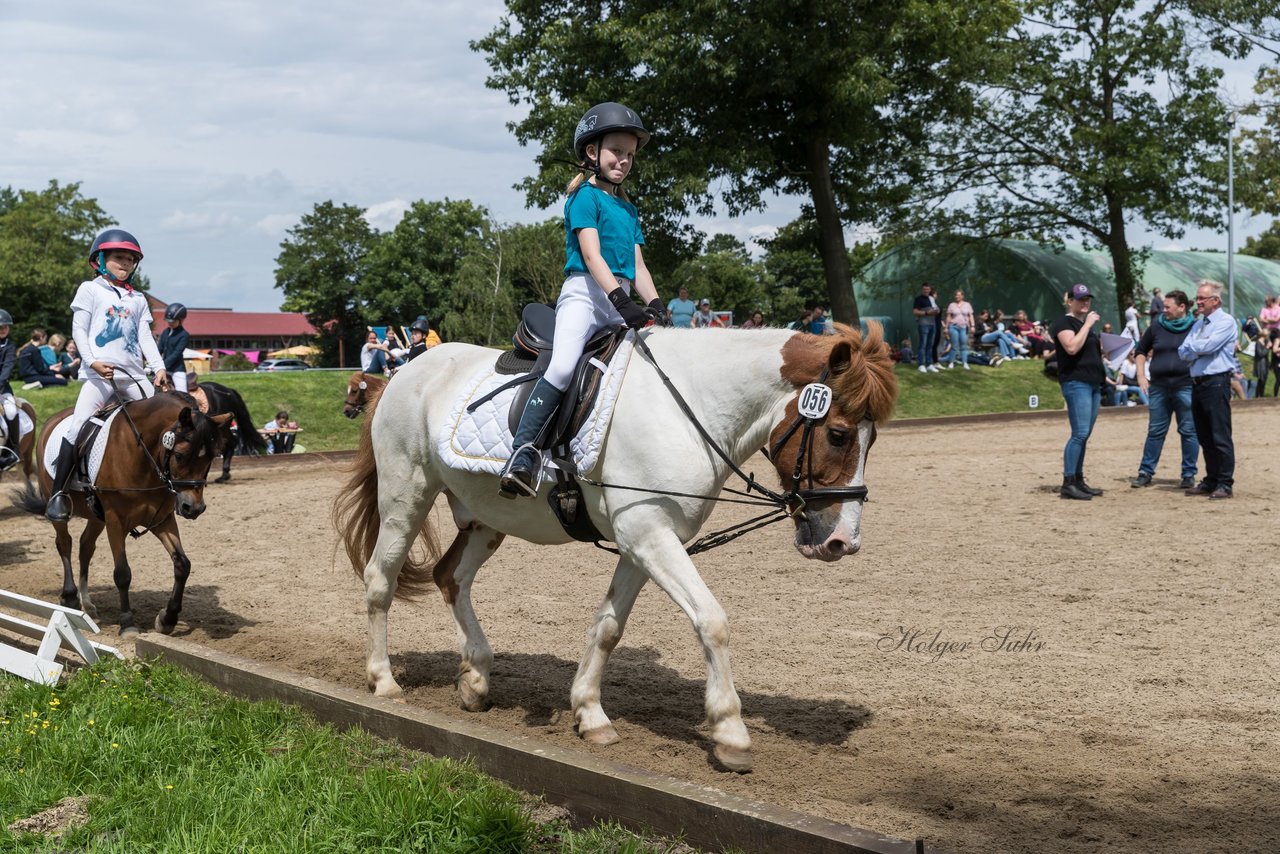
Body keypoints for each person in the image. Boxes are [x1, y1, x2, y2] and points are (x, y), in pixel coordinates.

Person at [498, 102, 666, 498]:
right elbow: (592, 256)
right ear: (593, 152)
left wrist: (655, 303)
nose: (623, 161)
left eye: (629, 154)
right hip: (585, 297)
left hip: (618, 297)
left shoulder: (627, 208)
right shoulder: (583, 198)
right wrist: (619, 301)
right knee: (562, 366)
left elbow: (638, 266)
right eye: (616, 151)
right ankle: (522, 453)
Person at [46, 228, 170, 522]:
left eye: (130, 259)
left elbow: (145, 336)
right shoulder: (89, 290)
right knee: (77, 427)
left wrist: (159, 366)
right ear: (99, 260)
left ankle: (169, 486)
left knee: (165, 424)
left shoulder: (138, 298)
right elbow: (79, 330)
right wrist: (92, 363)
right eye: (118, 257)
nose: (125, 263)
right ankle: (58, 493)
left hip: (135, 376)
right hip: (99, 376)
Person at [1130, 289, 1198, 488]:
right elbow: (1140, 350)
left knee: (1188, 430)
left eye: (1168, 307)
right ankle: (1145, 472)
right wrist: (1141, 376)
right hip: (1159, 386)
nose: (1163, 310)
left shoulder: (1196, 327)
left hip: (1185, 385)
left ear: (1182, 307)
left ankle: (1188, 475)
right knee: (1155, 431)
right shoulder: (1156, 326)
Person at [1177, 279, 1238, 499]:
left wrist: (1195, 348)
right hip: (1198, 383)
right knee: (1204, 435)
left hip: (1216, 382)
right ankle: (1211, 479)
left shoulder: (1226, 321)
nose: (1197, 302)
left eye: (1202, 298)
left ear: (1216, 300)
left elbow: (1208, 346)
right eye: (1198, 297)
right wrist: (1197, 348)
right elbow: (1182, 351)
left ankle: (1224, 482)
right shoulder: (1198, 323)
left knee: (1219, 434)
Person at [1051, 284, 1106, 500]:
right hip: (1076, 383)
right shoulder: (1063, 323)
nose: (1085, 303)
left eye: (1087, 299)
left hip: (1092, 382)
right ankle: (1068, 482)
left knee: (1085, 435)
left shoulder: (1085, 326)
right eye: (1081, 299)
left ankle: (1079, 479)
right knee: (1079, 433)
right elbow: (1071, 347)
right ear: (1070, 301)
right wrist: (1088, 324)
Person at [0, 308, 20, 471]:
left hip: (2, 388)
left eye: (6, 326)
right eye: (1, 327)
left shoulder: (10, 347)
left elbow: (6, 370)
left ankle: (13, 449)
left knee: (11, 411)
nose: (4, 329)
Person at [157, 303, 191, 392]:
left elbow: (176, 354)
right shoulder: (165, 332)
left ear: (181, 320)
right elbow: (159, 349)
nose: (169, 323)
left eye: (172, 321)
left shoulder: (184, 335)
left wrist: (162, 365)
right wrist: (153, 363)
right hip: (163, 368)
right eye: (168, 321)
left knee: (182, 393)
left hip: (177, 370)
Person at [941, 289, 975, 370]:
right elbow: (948, 317)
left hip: (964, 327)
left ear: (962, 296)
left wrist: (973, 325)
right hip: (953, 327)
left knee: (964, 345)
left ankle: (965, 363)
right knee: (954, 345)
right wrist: (946, 327)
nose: (957, 297)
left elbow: (971, 316)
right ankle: (951, 362)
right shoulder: (951, 305)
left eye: (959, 295)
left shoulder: (967, 305)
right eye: (956, 295)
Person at [912, 282, 941, 373]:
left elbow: (936, 309)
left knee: (930, 345)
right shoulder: (918, 299)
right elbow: (915, 311)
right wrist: (926, 313)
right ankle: (921, 364)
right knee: (923, 345)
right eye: (924, 289)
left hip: (932, 324)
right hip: (923, 324)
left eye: (927, 289)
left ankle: (929, 364)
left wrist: (936, 311)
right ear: (922, 289)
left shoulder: (931, 298)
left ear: (929, 290)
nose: (926, 291)